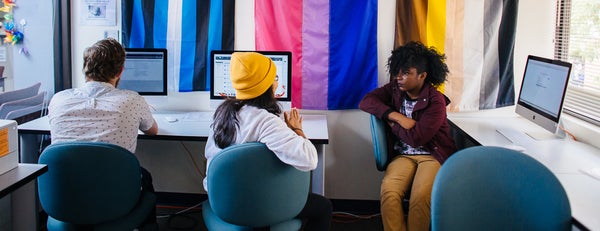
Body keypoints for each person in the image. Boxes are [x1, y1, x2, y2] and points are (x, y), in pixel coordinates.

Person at [204, 52, 332, 230]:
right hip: (258, 204)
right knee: (323, 207)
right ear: (267, 86)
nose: (277, 82)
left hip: (224, 202)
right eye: (275, 78)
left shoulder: (221, 115)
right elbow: (309, 159)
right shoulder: (266, 121)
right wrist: (296, 129)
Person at [48, 38, 159, 228]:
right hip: (116, 200)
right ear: (120, 71)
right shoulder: (132, 100)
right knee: (145, 176)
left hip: (65, 198)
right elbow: (153, 131)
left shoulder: (58, 100)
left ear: (85, 67)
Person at [358, 41, 457, 231]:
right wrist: (396, 117)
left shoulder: (436, 102)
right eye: (397, 72)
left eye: (406, 73)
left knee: (420, 198)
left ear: (422, 76)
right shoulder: (395, 89)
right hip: (403, 155)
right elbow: (366, 102)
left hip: (432, 155)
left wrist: (392, 125)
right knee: (389, 192)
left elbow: (416, 138)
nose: (399, 77)